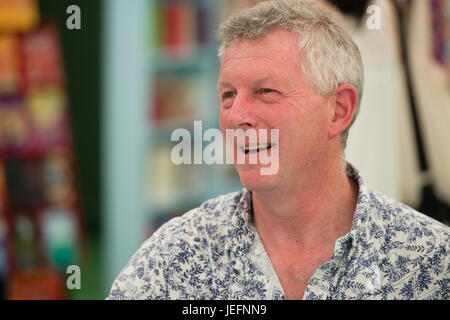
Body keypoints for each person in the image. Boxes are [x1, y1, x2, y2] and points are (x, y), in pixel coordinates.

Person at [107, 0, 450, 300]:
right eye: (228, 95)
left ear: (339, 110)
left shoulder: (431, 261)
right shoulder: (176, 255)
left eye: (266, 91)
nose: (236, 116)